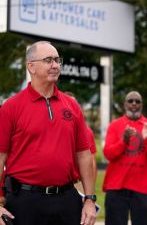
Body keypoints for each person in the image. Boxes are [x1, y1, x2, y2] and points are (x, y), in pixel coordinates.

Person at [0, 41, 96, 225]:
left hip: (67, 200)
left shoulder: (73, 106)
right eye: (48, 60)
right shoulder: (10, 107)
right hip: (25, 202)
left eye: (57, 60)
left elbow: (84, 155)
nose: (55, 65)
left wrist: (90, 199)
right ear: (31, 67)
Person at [103, 91, 147, 225]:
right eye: (130, 100)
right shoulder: (115, 125)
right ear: (124, 104)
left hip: (143, 188)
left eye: (137, 101)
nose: (134, 104)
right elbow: (108, 154)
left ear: (142, 105)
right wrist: (124, 141)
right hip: (116, 187)